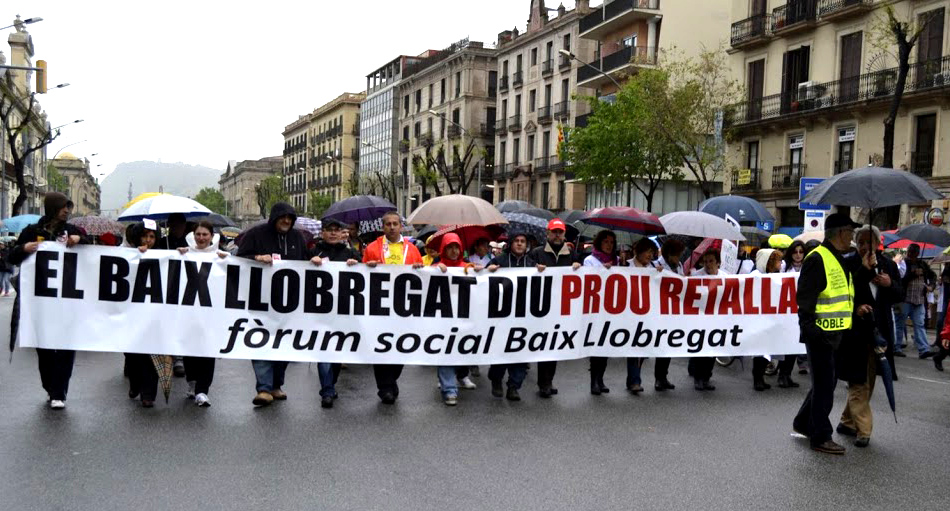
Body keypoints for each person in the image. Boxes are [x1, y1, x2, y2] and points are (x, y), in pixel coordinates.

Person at [793, 213, 865, 455]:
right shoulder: (817, 258)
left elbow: (843, 291)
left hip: (836, 334)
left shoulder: (837, 258)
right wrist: (812, 331)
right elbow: (805, 300)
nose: (853, 237)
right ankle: (820, 436)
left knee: (825, 384)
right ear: (841, 232)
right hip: (821, 335)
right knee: (824, 388)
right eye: (851, 233)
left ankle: (803, 423)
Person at [238, 202, 320, 407]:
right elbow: (238, 260)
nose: (286, 221)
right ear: (274, 217)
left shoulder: (297, 238)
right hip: (260, 302)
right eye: (283, 217)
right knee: (261, 342)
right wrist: (255, 257)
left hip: (289, 303)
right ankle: (264, 388)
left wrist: (315, 259)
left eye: (290, 218)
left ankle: (276, 385)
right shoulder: (256, 234)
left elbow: (303, 261)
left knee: (283, 344)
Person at [7, 192, 84, 410]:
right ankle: (51, 387)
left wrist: (80, 240)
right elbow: (11, 257)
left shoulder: (72, 231)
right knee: (45, 347)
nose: (67, 211)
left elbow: (92, 251)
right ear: (52, 207)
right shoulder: (32, 232)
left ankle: (60, 391)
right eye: (63, 207)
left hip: (68, 299)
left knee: (67, 346)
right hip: (40, 300)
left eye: (68, 207)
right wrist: (24, 248)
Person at [836, 225, 901, 448]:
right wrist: (863, 272)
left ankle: (847, 420)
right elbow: (844, 291)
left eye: (868, 242)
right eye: (860, 242)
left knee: (869, 380)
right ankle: (863, 429)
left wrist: (889, 283)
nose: (864, 246)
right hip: (856, 332)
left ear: (877, 243)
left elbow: (899, 294)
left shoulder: (888, 265)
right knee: (858, 381)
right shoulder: (849, 263)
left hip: (880, 331)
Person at [363, 210, 424, 404]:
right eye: (388, 224)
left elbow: (423, 276)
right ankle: (385, 387)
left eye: (395, 224)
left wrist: (420, 269)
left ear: (401, 226)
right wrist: (368, 267)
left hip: (404, 307)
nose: (391, 227)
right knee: (380, 346)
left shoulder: (413, 250)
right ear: (383, 227)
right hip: (379, 306)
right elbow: (361, 275)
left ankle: (391, 380)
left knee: (401, 346)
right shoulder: (372, 248)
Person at [175, 220, 228, 406]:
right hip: (189, 313)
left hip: (211, 315)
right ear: (193, 235)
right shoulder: (185, 253)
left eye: (205, 234)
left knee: (207, 350)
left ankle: (203, 390)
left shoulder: (221, 256)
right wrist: (178, 254)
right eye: (198, 234)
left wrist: (226, 259)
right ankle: (192, 382)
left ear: (212, 236)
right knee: (190, 350)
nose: (201, 238)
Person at [310, 218, 361, 408]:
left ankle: (331, 384)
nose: (332, 233)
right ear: (322, 233)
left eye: (336, 230)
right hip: (319, 311)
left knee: (338, 352)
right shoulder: (314, 251)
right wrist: (309, 262)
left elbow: (366, 271)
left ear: (342, 234)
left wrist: (357, 263)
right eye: (328, 230)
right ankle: (327, 390)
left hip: (344, 311)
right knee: (323, 350)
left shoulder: (349, 252)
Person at [530, 218, 581, 398]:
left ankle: (548, 380)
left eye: (560, 232)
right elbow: (526, 273)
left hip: (562, 307)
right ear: (547, 233)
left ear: (564, 234)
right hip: (542, 306)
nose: (558, 235)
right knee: (544, 344)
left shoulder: (572, 255)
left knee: (555, 346)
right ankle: (543, 382)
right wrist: (534, 268)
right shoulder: (536, 253)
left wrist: (578, 267)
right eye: (554, 232)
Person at [431, 233, 480, 405]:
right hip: (443, 317)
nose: (453, 250)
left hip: (465, 316)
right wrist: (434, 270)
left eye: (456, 247)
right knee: (446, 350)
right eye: (449, 247)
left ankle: (460, 376)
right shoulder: (436, 266)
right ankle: (449, 389)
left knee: (463, 348)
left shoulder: (468, 266)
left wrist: (484, 272)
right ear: (444, 249)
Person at [486, 231, 535, 401]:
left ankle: (514, 386)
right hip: (502, 314)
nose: (520, 244)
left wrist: (541, 271)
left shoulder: (531, 263)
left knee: (520, 352)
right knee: (501, 350)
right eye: (517, 241)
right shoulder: (499, 261)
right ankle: (496, 379)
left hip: (523, 315)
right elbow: (483, 279)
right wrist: (488, 270)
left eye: (523, 241)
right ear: (510, 243)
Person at [125, 221, 163, 407]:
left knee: (153, 353)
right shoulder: (128, 254)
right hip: (133, 312)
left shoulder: (164, 255)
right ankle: (135, 383)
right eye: (145, 236)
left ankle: (148, 394)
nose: (148, 240)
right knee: (134, 354)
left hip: (154, 313)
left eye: (152, 237)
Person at [584, 230, 618, 395]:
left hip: (612, 309)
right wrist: (602, 271)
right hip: (595, 310)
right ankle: (593, 382)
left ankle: (601, 379)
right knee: (596, 347)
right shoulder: (590, 260)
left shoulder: (617, 261)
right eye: (606, 241)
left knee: (606, 347)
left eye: (612, 242)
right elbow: (586, 281)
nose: (609, 245)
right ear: (599, 242)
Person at [651, 238, 684, 391]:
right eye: (676, 255)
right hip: (661, 310)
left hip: (675, 310)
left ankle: (664, 376)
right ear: (668, 255)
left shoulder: (679, 265)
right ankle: (658, 378)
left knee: (670, 345)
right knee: (662, 346)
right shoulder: (657, 265)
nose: (678, 258)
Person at [626, 237, 658, 393]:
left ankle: (633, 379)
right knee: (633, 347)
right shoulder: (626, 265)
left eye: (652, 252)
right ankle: (634, 380)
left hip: (647, 314)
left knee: (642, 349)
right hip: (629, 313)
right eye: (647, 251)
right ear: (638, 252)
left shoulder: (653, 268)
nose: (650, 255)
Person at [687, 249, 720, 391]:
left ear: (718, 262)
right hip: (700, 319)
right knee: (700, 350)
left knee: (712, 351)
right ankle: (698, 378)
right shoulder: (696, 276)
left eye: (711, 261)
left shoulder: (726, 277)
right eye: (705, 261)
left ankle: (706, 378)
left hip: (717, 320)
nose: (708, 264)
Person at [897, 243, 936, 359]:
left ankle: (924, 349)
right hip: (904, 299)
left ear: (918, 254)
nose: (910, 255)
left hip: (919, 300)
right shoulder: (903, 263)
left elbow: (933, 276)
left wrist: (931, 286)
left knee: (919, 325)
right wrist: (913, 274)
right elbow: (900, 279)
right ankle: (896, 347)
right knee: (899, 323)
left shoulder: (922, 264)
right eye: (909, 253)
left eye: (913, 253)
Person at [163, 213, 190, 377]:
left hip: (185, 289)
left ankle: (179, 358)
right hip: (166, 289)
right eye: (174, 225)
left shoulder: (190, 243)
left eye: (180, 225)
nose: (177, 228)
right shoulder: (162, 243)